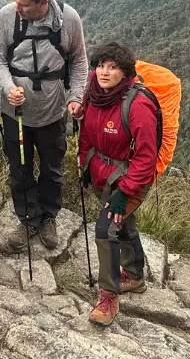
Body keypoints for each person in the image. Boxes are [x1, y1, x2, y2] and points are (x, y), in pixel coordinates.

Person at [0, 0, 88, 251]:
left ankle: (48, 217)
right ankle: (27, 218)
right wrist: (9, 88)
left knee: (52, 168)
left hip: (53, 110)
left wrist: (75, 97)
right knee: (19, 168)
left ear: (43, 2)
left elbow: (79, 61)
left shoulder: (68, 19)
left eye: (23, 5)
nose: (16, 9)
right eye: (15, 2)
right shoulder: (7, 17)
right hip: (15, 112)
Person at [75, 41, 160, 326]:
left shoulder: (138, 105)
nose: (104, 72)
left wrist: (124, 193)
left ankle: (108, 297)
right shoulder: (94, 94)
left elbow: (146, 157)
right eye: (101, 66)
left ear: (125, 73)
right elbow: (87, 134)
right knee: (124, 224)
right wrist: (85, 164)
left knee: (106, 229)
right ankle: (135, 277)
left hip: (130, 179)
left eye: (113, 67)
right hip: (102, 174)